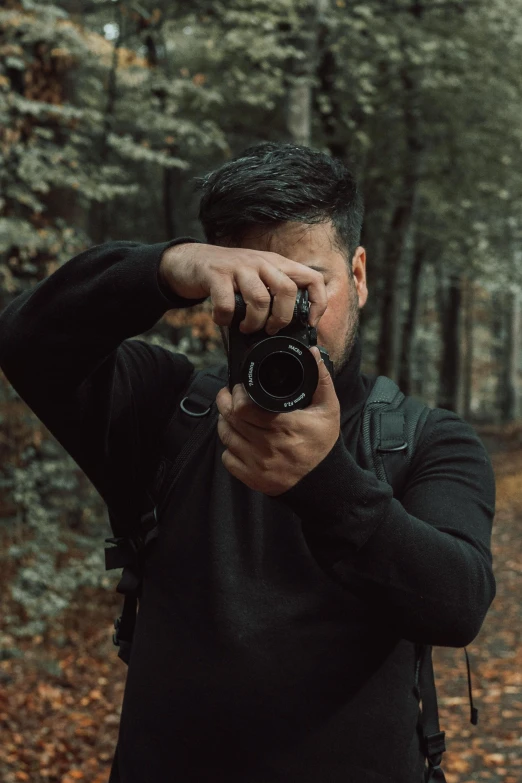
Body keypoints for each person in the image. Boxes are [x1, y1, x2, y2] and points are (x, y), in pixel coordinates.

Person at [0, 142, 496, 783]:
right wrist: (168, 266)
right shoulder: (165, 413)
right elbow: (25, 340)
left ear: (361, 275)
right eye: (257, 286)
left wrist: (327, 486)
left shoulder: (424, 441)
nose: (283, 314)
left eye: (308, 285)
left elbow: (457, 604)